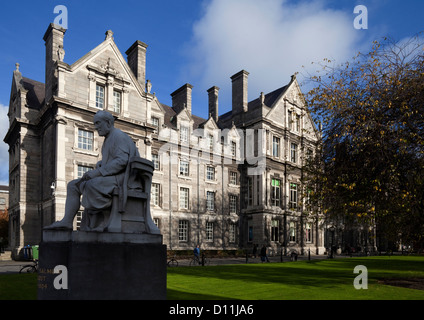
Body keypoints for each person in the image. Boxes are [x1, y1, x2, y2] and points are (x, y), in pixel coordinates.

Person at [45, 110, 140, 230]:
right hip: (114, 177)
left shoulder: (119, 136)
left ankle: (103, 222)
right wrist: (101, 164)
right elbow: (114, 160)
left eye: (98, 123)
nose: (96, 127)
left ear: (108, 123)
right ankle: (67, 221)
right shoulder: (108, 139)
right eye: (95, 124)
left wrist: (97, 172)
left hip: (124, 179)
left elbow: (121, 161)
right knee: (73, 185)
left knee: (91, 185)